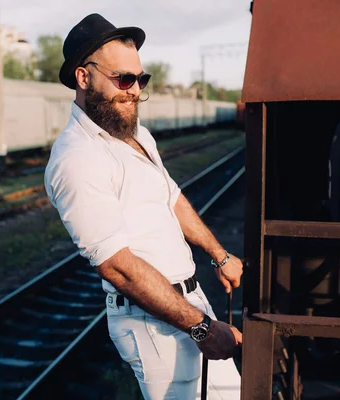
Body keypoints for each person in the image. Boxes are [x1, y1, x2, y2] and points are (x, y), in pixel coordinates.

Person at [44, 13, 243, 400]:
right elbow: (117, 266)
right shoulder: (77, 157)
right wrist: (201, 328)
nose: (135, 90)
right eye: (123, 79)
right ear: (84, 78)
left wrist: (218, 255)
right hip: (152, 323)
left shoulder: (136, 135)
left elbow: (169, 196)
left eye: (140, 79)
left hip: (187, 304)